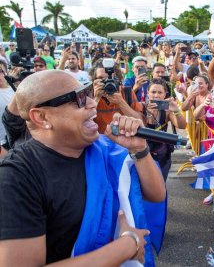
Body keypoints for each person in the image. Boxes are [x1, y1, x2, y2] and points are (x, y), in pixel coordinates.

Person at [0, 70, 166, 265]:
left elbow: (156, 195)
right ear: (41, 117)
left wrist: (139, 149)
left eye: (88, 92)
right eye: (78, 99)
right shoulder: (17, 177)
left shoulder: (106, 150)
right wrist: (128, 245)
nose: (92, 103)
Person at [143, 78, 186, 181]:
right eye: (153, 92)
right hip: (144, 152)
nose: (156, 95)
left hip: (162, 154)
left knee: (160, 184)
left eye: (160, 92)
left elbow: (182, 126)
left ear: (164, 94)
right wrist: (147, 113)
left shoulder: (167, 111)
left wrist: (176, 111)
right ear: (148, 93)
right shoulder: (141, 108)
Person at [90, 58, 144, 133]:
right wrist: (96, 99)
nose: (107, 82)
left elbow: (140, 121)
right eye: (101, 79)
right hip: (98, 141)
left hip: (123, 141)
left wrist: (121, 102)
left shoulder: (126, 92)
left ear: (118, 79)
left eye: (110, 78)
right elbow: (81, 123)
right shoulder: (89, 95)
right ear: (94, 80)